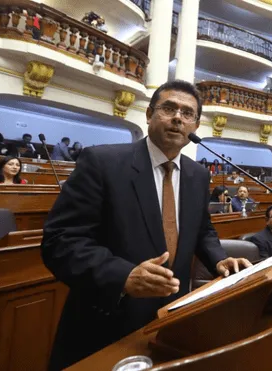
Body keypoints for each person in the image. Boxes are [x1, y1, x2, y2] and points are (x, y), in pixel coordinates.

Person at [41, 80, 252, 370]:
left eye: (187, 113)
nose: (178, 117)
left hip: (171, 320)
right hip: (106, 322)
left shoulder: (197, 175)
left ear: (195, 125)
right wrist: (123, 275)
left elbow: (202, 229)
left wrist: (219, 260)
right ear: (150, 115)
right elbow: (60, 241)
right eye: (169, 108)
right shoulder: (102, 162)